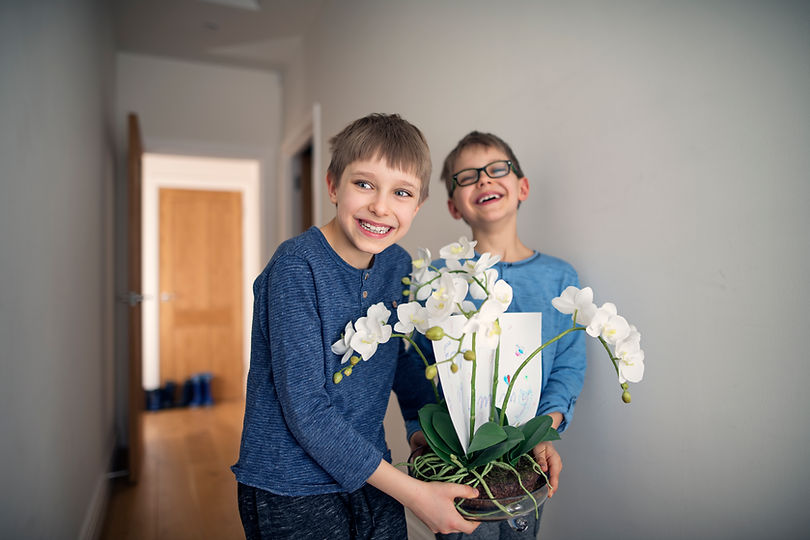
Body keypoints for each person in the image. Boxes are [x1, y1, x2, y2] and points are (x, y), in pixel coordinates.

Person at [231, 113, 480, 539]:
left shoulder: (399, 265)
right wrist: (414, 494)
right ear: (332, 185)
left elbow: (405, 360)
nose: (380, 206)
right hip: (291, 487)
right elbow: (306, 411)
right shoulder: (296, 268)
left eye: (401, 192)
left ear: (417, 206)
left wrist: (421, 431)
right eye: (364, 184)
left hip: (370, 470)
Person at [411, 131, 587, 540]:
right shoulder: (436, 279)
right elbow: (415, 364)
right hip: (456, 461)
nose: (485, 181)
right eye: (468, 177)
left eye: (497, 169)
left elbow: (568, 363)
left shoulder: (561, 278)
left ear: (522, 186)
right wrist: (419, 433)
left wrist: (547, 426)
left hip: (526, 462)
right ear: (454, 206)